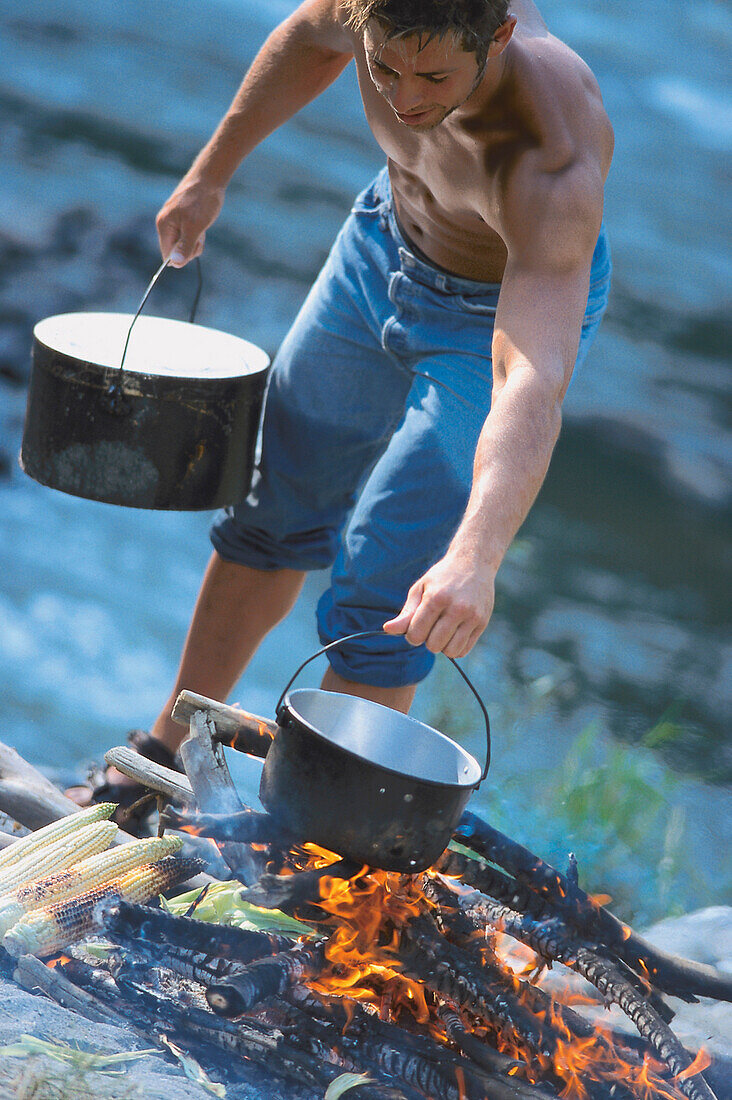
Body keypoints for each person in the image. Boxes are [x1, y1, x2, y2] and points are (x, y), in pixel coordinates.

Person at [74, 0, 613, 821]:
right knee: (272, 508)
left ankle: (300, 840)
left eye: (434, 76)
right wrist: (209, 172)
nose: (404, 98)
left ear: (496, 36)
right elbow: (305, 42)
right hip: (380, 246)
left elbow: (529, 379)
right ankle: (158, 761)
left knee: (392, 587)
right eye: (385, 68)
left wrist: (477, 557)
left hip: (491, 319)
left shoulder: (550, 155)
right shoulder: (370, 11)